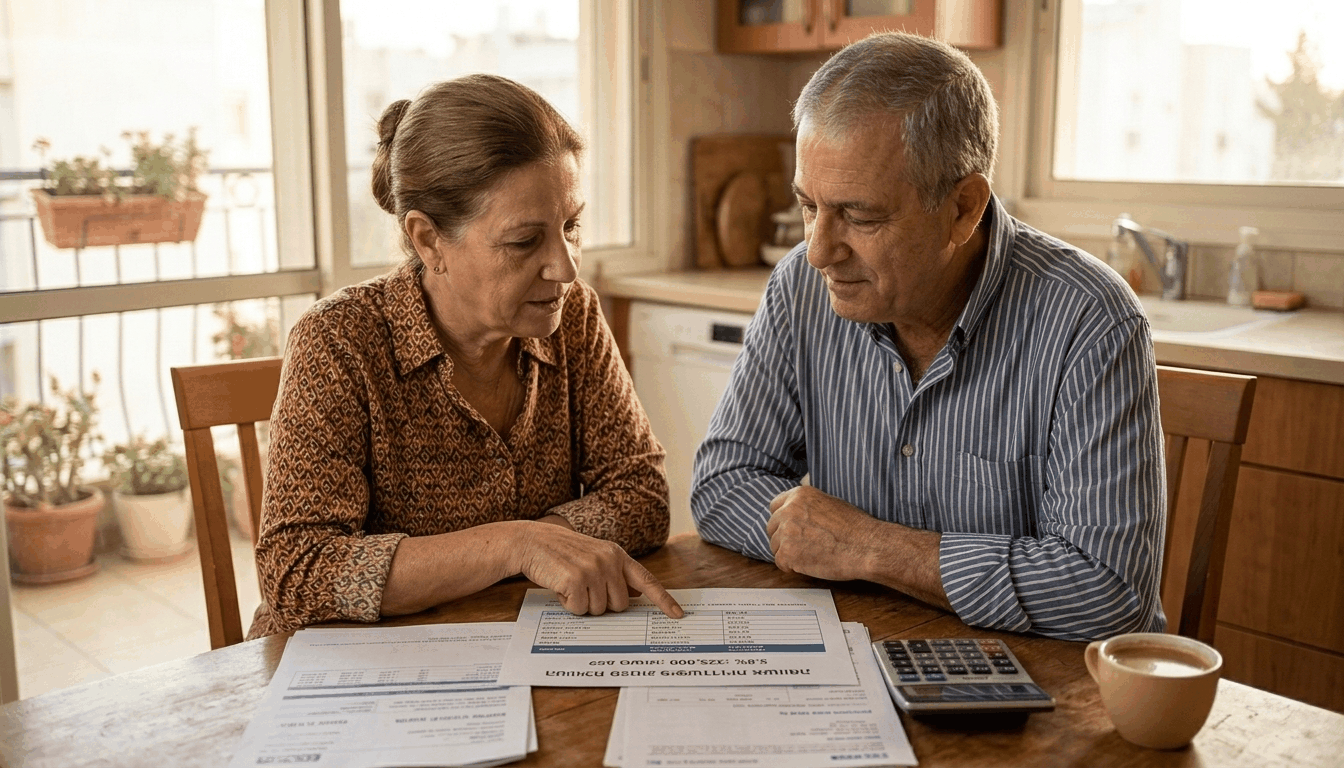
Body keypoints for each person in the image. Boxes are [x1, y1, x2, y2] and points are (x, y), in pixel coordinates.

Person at [692, 32, 1166, 642]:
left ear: (963, 209)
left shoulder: (1089, 320)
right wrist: (826, 541)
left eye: (860, 217)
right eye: (810, 206)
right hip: (869, 655)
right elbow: (723, 484)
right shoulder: (800, 290)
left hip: (1049, 692)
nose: (817, 252)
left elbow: (1107, 592)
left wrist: (873, 550)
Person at [248, 74, 682, 639]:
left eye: (571, 227)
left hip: (510, 643)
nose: (566, 267)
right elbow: (297, 572)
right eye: (526, 241)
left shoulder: (572, 318)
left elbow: (643, 496)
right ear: (429, 241)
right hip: (355, 677)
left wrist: (544, 546)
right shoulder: (339, 341)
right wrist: (518, 544)